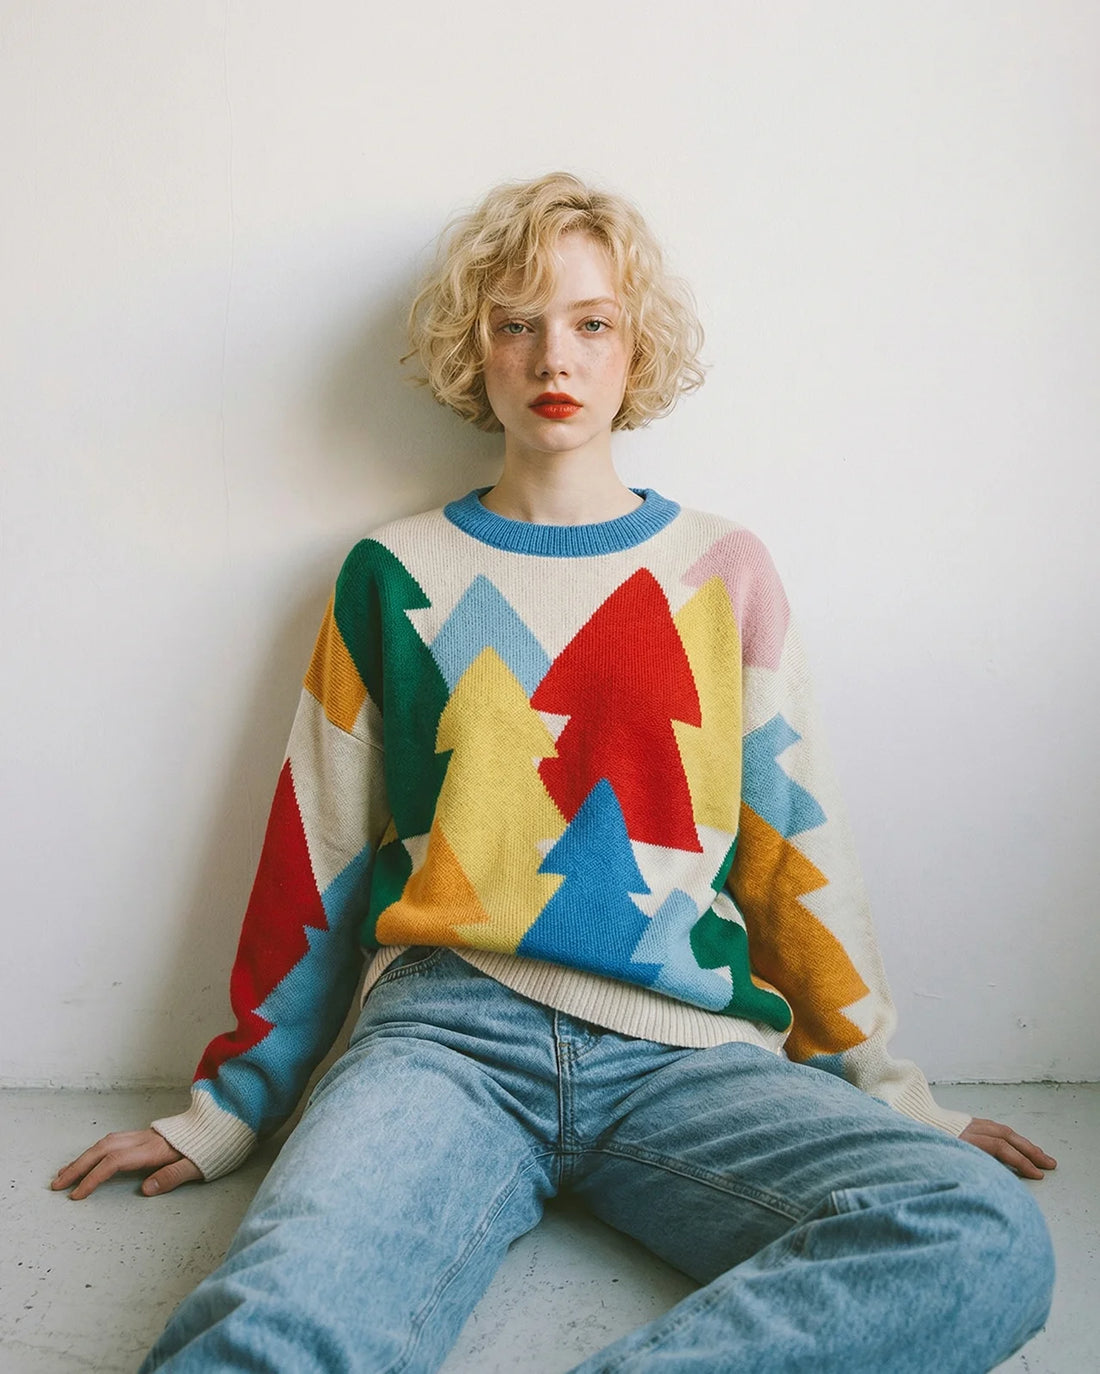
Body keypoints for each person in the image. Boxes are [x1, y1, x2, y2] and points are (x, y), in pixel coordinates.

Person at [54, 172, 1056, 1373]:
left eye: (590, 322)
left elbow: (793, 847)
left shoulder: (720, 570)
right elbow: (315, 848)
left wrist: (890, 1097)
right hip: (443, 1040)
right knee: (268, 1330)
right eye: (514, 323)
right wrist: (228, 1108)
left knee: (980, 1231)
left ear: (639, 348)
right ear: (469, 351)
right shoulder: (390, 573)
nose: (552, 357)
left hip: (684, 1051)